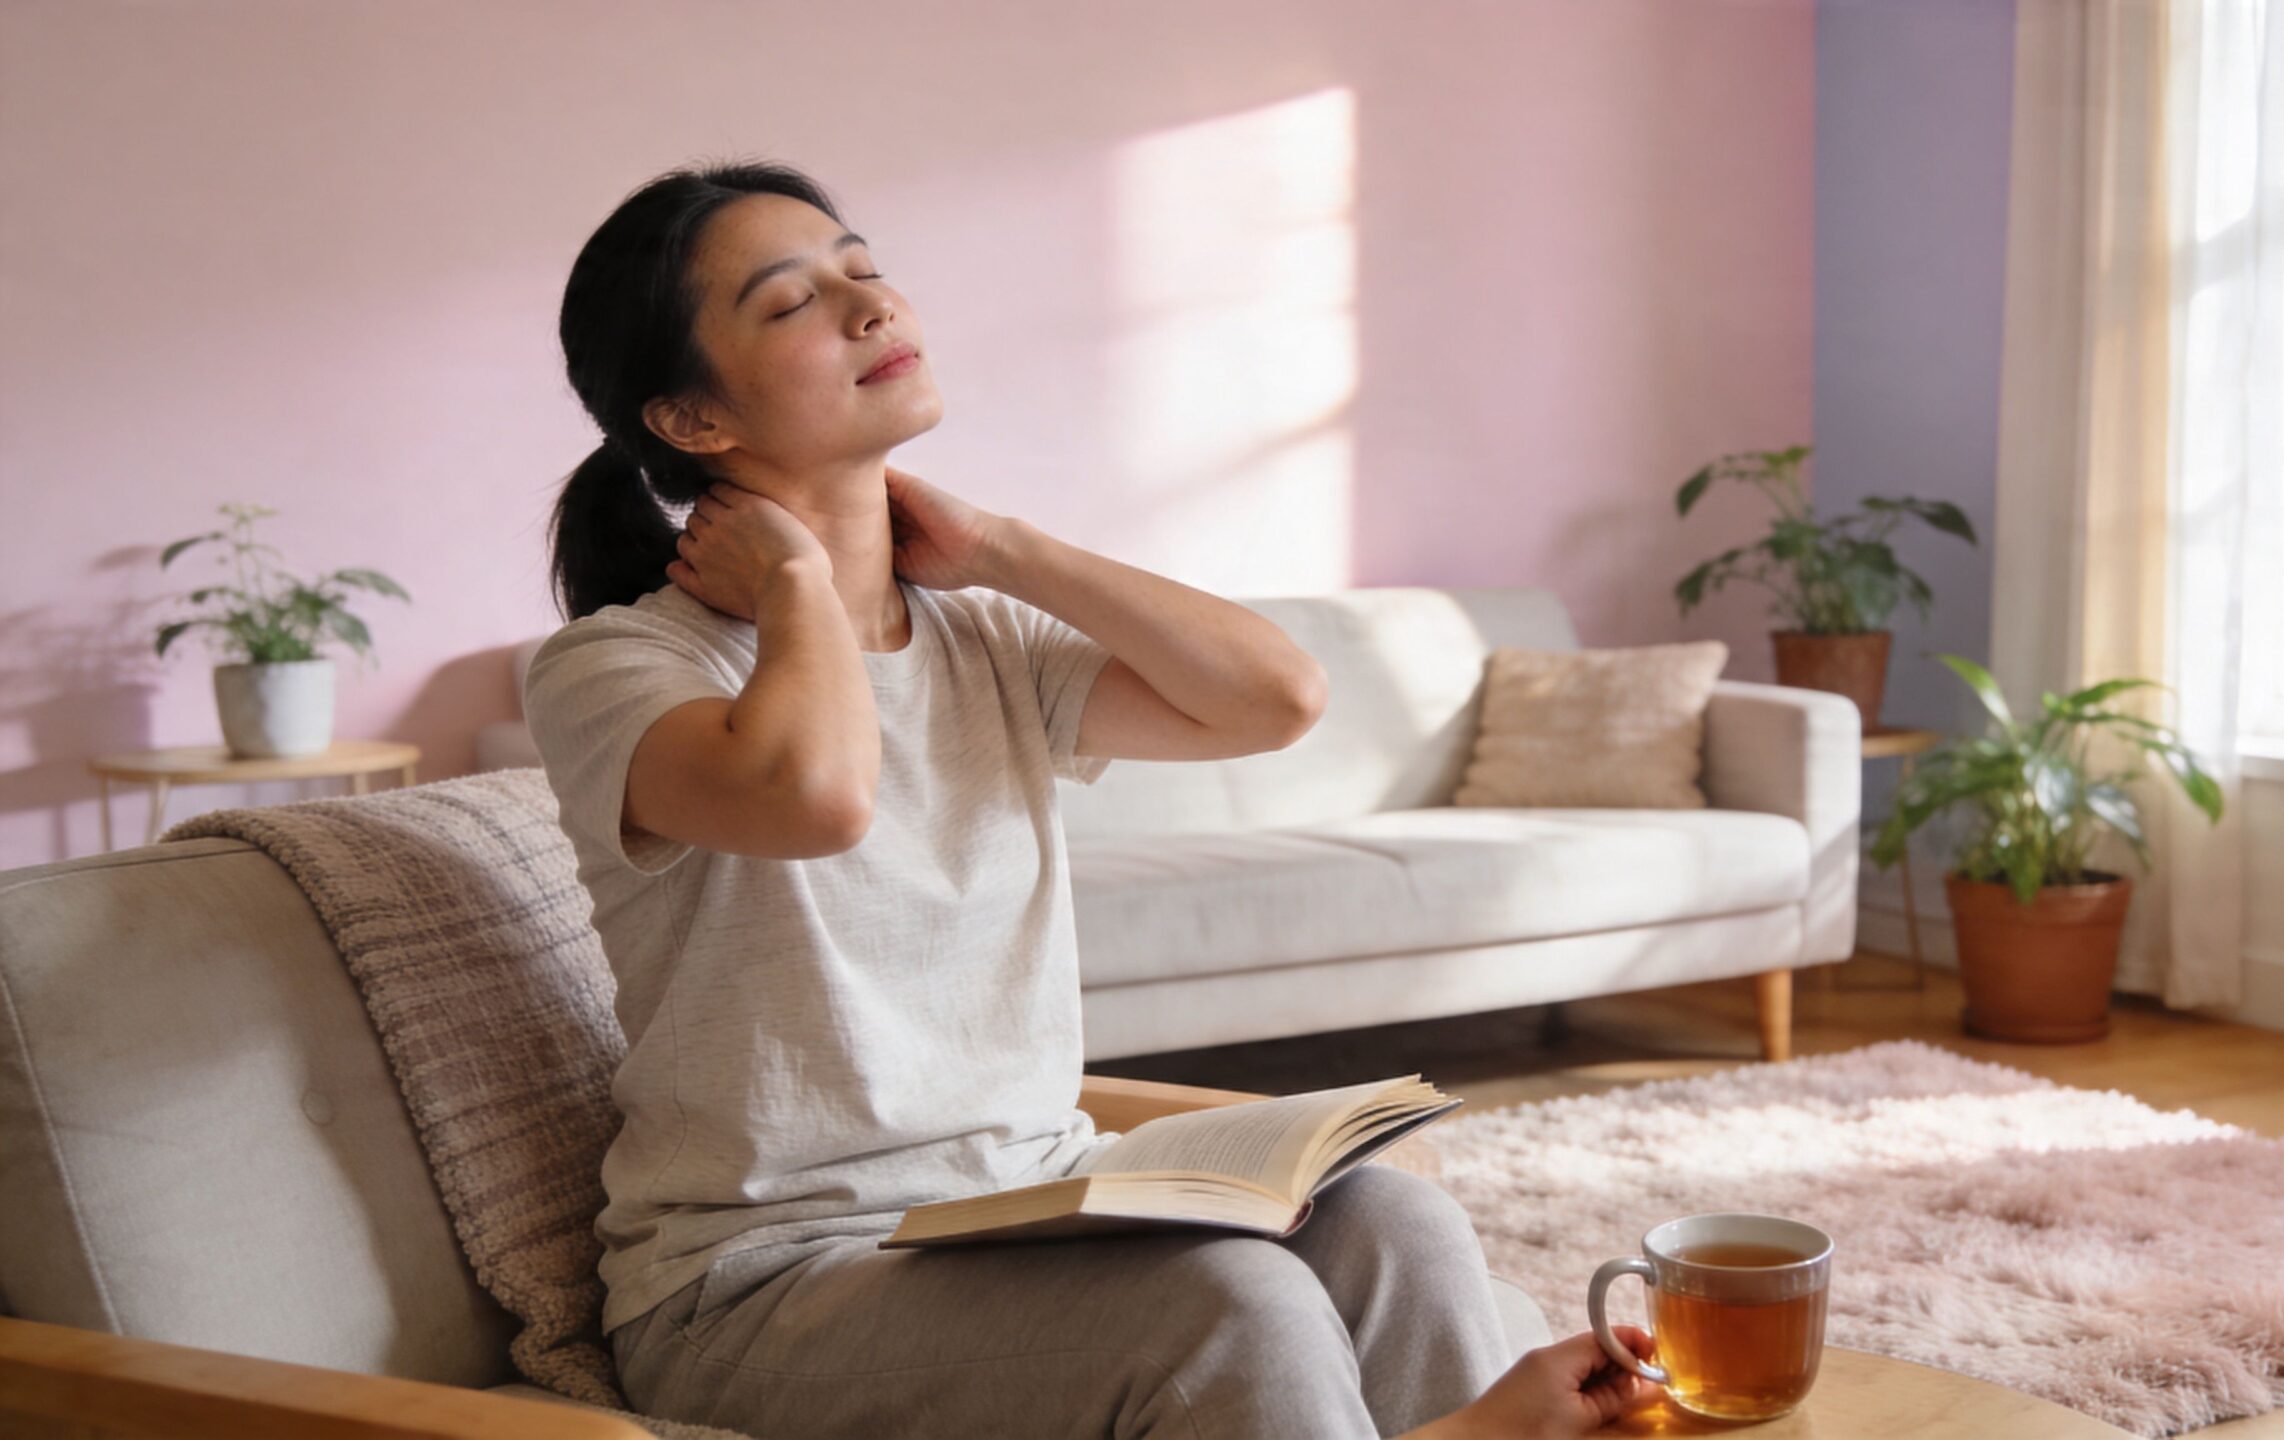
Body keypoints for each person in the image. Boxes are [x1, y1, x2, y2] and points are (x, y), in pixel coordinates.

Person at [525, 158, 1664, 1439]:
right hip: (762, 1281)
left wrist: (1002, 548)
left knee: (1392, 1218)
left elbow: (1274, 698)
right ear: (686, 419)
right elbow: (819, 797)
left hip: (1022, 1201)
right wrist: (793, 579)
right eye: (792, 304)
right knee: (1229, 1306)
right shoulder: (619, 667)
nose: (867, 306)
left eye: (862, 266)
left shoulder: (982, 638)